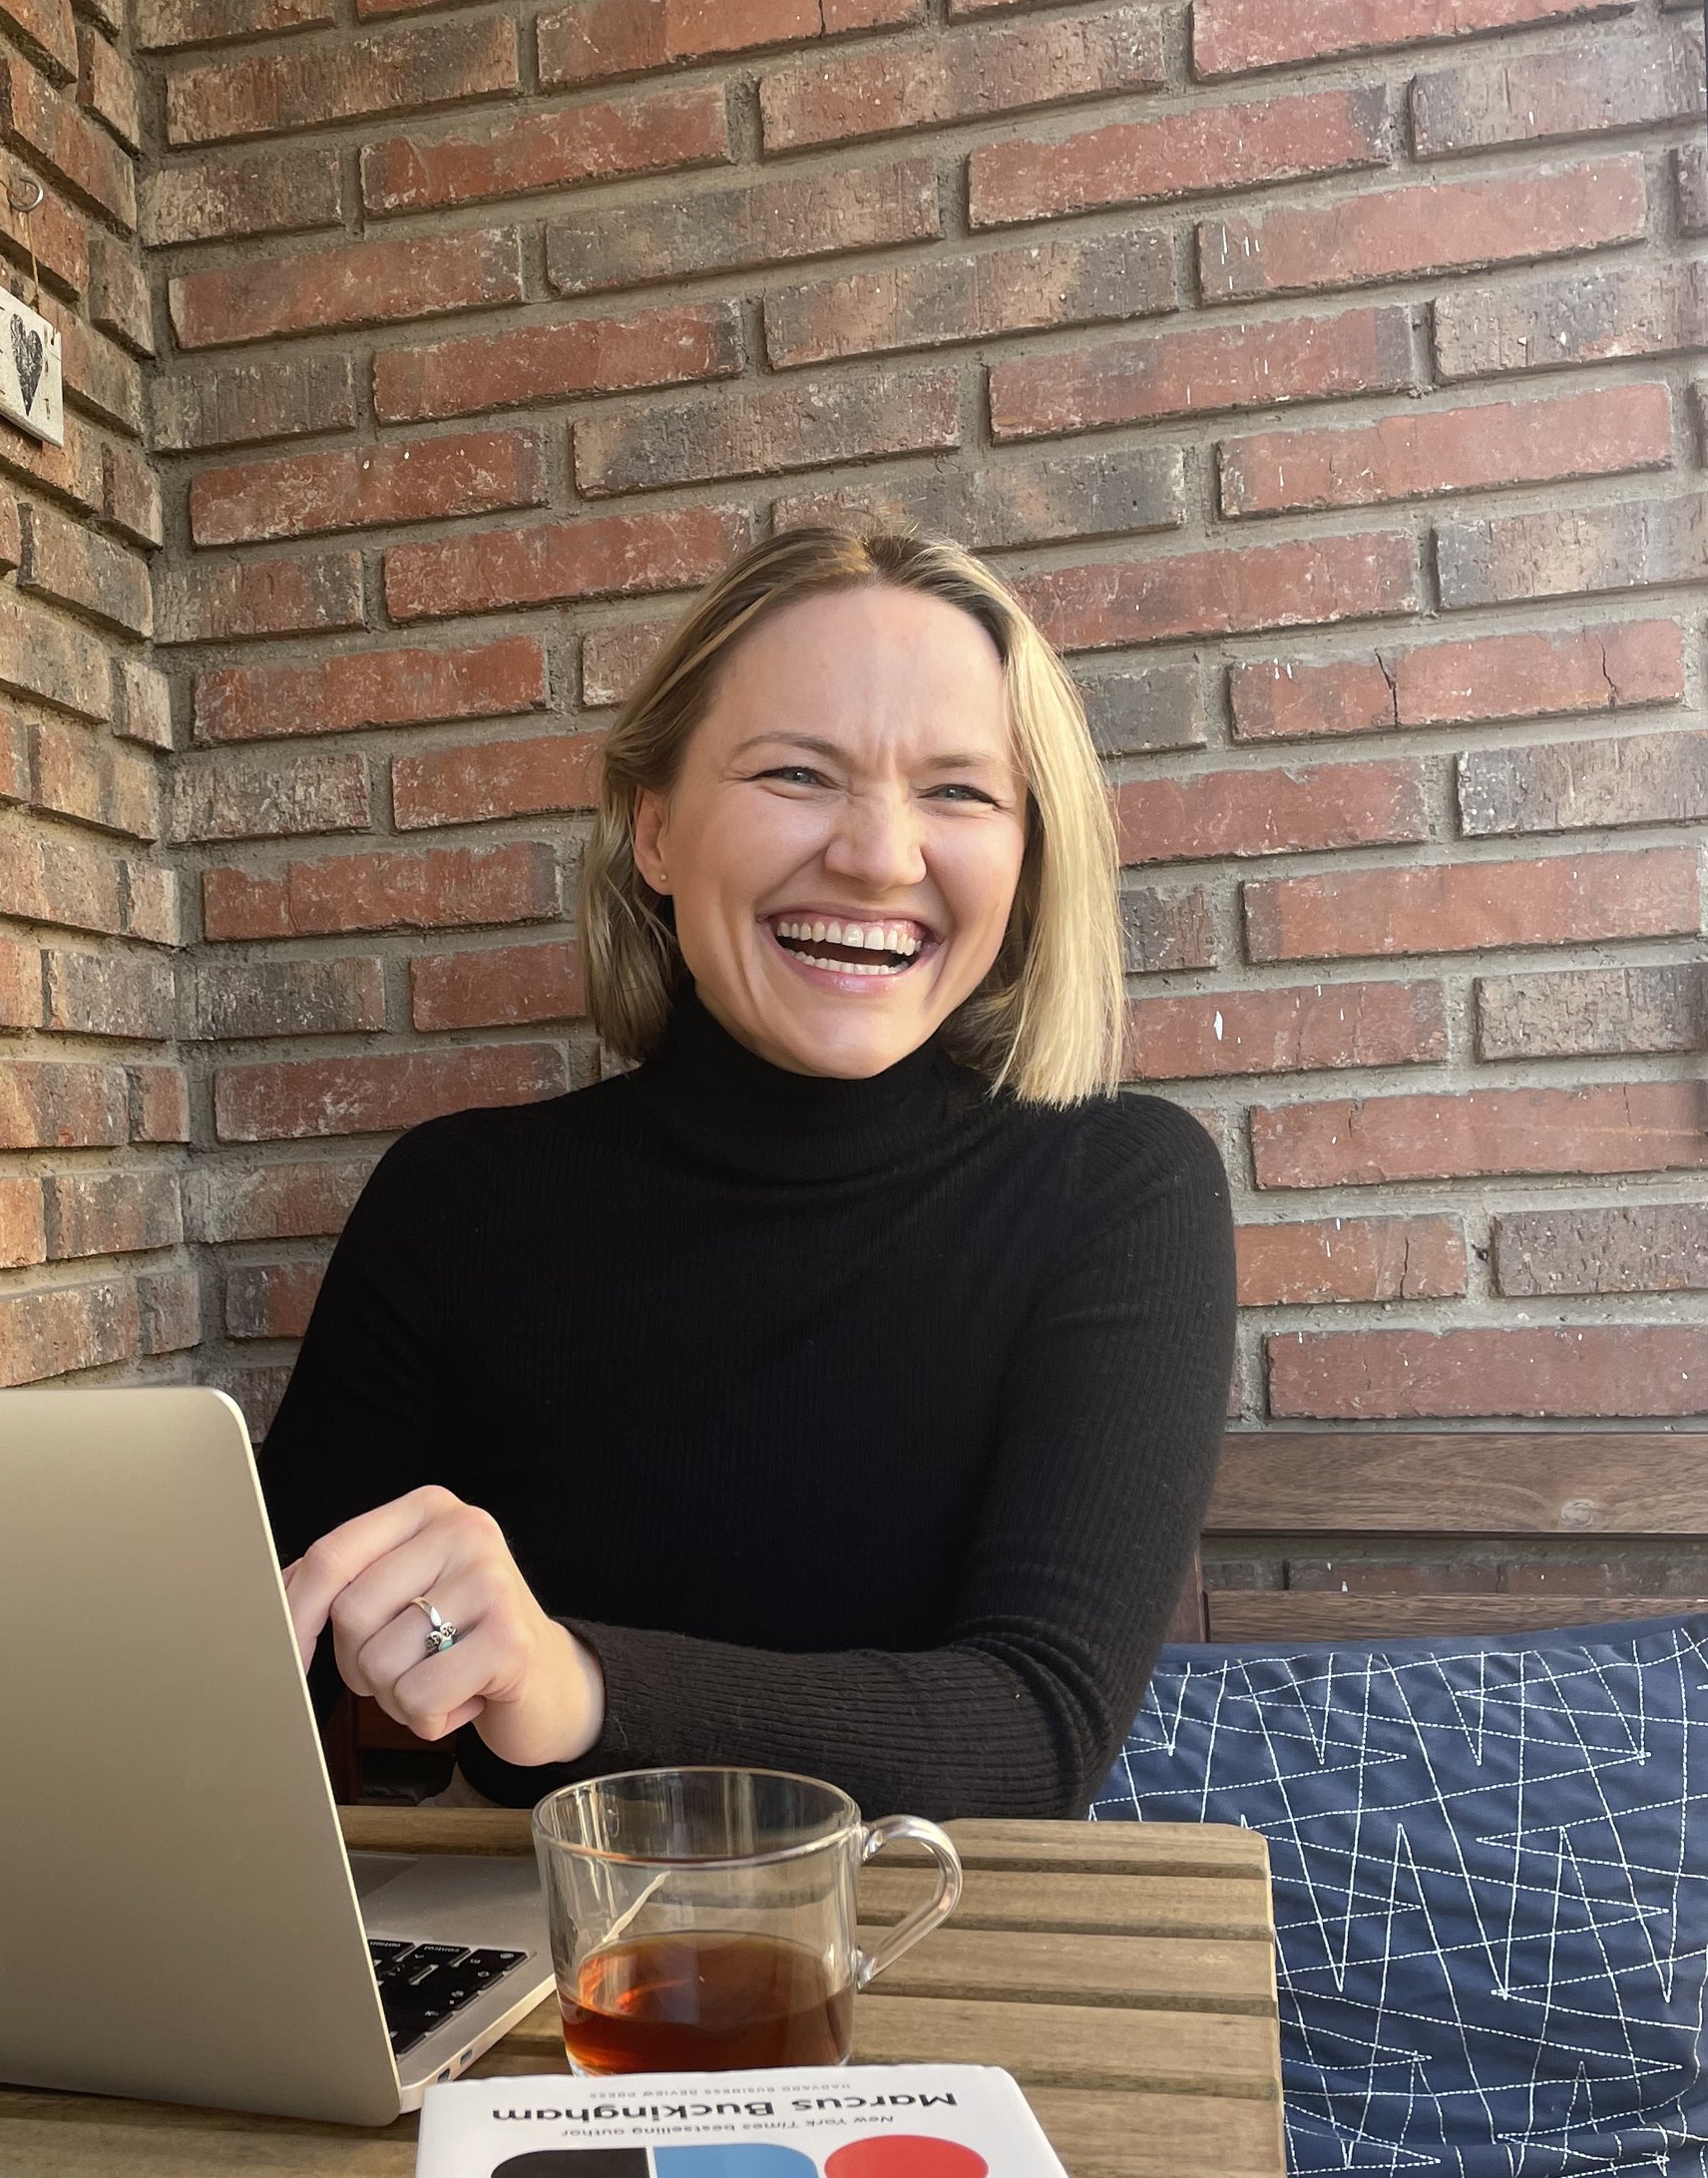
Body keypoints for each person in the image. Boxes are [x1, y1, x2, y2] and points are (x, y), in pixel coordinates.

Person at [259, 525, 1236, 1820]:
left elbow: (1036, 1724)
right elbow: (248, 1649)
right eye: (796, 771)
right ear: (656, 828)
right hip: (571, 1969)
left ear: (1026, 857)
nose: (881, 854)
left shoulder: (1120, 1188)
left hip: (949, 1951)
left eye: (959, 791)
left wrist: (580, 1683)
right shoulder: (457, 1203)